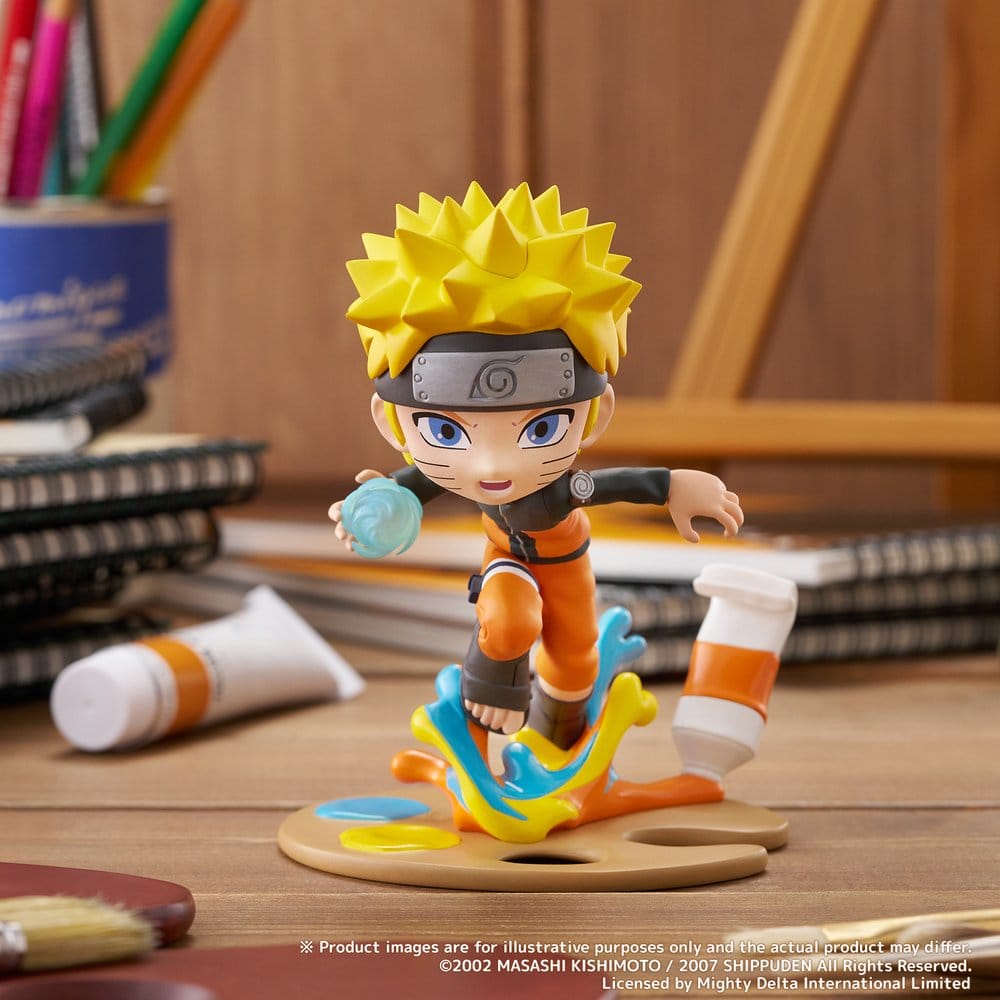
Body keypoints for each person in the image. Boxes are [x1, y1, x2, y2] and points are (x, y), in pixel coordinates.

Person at [330, 182, 743, 749]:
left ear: (595, 415)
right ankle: (489, 683)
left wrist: (673, 485)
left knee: (575, 663)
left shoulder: (562, 489)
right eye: (446, 432)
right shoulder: (462, 475)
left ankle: (557, 742)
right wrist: (383, 500)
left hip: (570, 566)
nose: (492, 464)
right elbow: (421, 481)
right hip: (505, 554)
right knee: (509, 619)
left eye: (541, 428)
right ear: (391, 422)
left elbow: (611, 485)